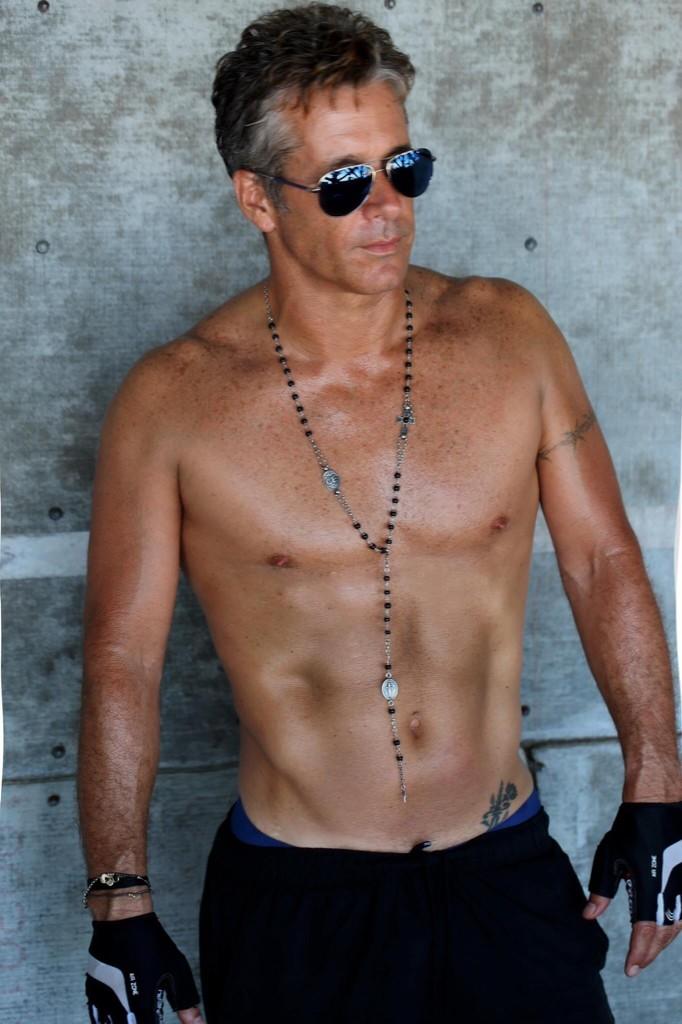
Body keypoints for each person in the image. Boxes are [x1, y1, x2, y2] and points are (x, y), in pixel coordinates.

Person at [77, 4, 682, 1022]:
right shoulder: (173, 401)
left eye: (405, 168)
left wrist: (657, 780)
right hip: (299, 902)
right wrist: (118, 902)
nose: (388, 207)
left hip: (504, 867)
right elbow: (121, 660)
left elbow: (600, 559)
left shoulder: (509, 335)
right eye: (345, 183)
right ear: (258, 199)